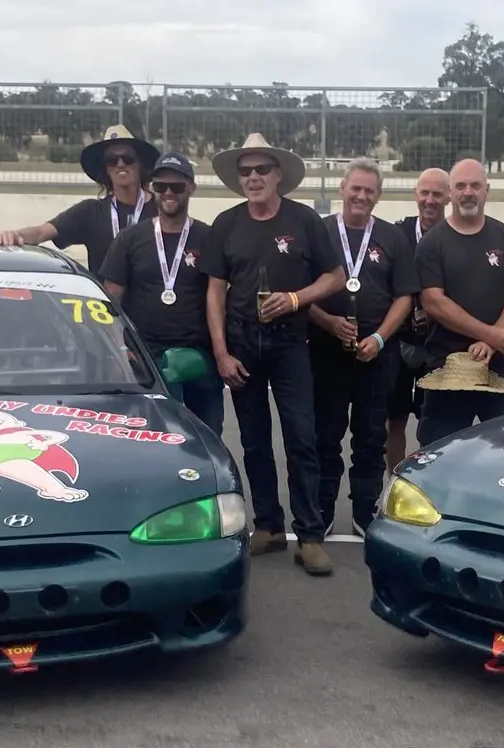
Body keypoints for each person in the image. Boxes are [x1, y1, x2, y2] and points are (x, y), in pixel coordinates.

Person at [200, 132, 345, 576]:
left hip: (288, 343)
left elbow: (336, 276)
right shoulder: (226, 223)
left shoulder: (304, 220)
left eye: (262, 169)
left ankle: (310, 536)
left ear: (279, 174)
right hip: (242, 343)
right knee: (254, 441)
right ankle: (267, 525)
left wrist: (298, 298)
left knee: (302, 439)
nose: (254, 177)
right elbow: (214, 293)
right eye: (246, 171)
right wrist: (221, 352)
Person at [310, 157, 419, 537]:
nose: (361, 195)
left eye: (369, 191)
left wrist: (379, 337)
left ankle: (363, 511)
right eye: (355, 188)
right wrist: (328, 322)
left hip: (377, 354)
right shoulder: (319, 232)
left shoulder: (393, 238)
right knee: (325, 436)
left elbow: (405, 296)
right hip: (326, 351)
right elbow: (302, 295)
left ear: (378, 196)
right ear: (342, 188)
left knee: (371, 437)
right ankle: (321, 513)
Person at [97, 152, 224, 435]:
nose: (168, 193)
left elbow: (217, 297)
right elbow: (109, 302)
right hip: (147, 360)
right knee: (156, 440)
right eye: (161, 186)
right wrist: (118, 351)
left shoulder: (209, 237)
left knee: (208, 441)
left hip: (199, 361)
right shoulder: (130, 239)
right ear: (152, 188)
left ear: (191, 188)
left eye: (177, 187)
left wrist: (222, 353)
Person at [413, 159, 504, 446]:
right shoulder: (432, 244)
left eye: (475, 186)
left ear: (486, 190)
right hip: (448, 367)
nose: (468, 192)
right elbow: (433, 301)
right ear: (450, 193)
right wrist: (489, 334)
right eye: (461, 186)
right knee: (439, 455)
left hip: (501, 364)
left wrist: (492, 343)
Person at [0, 126, 160, 277]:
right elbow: (41, 232)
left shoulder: (161, 210)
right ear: (106, 169)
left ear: (140, 164)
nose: (120, 164)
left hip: (149, 307)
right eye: (112, 160)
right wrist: (16, 235)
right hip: (105, 308)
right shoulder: (90, 212)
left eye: (128, 158)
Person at [386, 167, 449, 471]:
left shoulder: (455, 235)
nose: (430, 200)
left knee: (432, 424)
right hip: (399, 341)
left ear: (448, 197)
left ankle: (426, 487)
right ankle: (393, 484)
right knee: (393, 421)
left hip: (437, 344)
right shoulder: (396, 234)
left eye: (437, 194)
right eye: (425, 192)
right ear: (415, 195)